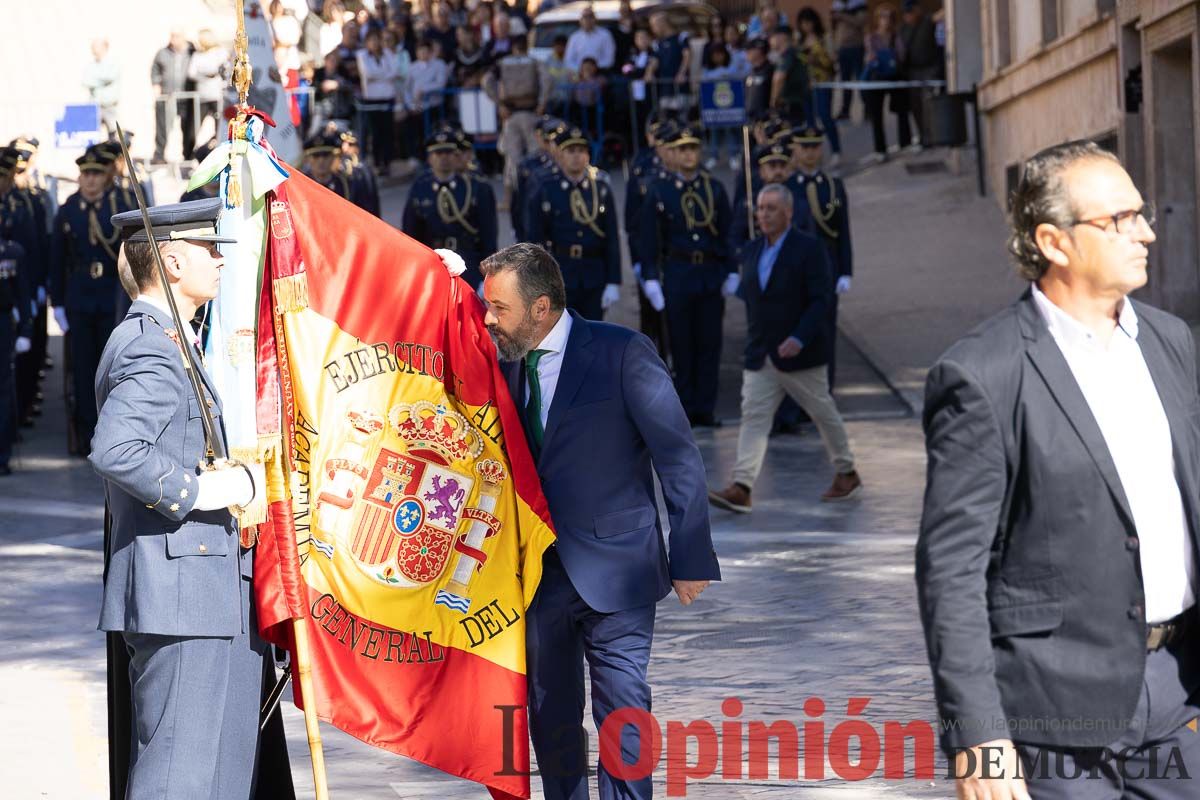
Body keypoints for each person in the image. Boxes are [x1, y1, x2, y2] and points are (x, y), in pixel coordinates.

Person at [917, 141, 1200, 799]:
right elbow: (952, 573)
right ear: (1055, 241)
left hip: (1182, 690)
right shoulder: (983, 374)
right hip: (1053, 716)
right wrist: (978, 738)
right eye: (1119, 219)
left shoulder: (1170, 341)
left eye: (1142, 213)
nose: (1147, 232)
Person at [480, 242, 720, 800]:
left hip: (619, 569)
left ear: (541, 308)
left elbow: (678, 455)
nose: (489, 319)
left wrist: (690, 555)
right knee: (551, 715)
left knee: (623, 710)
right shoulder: (503, 365)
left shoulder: (622, 353)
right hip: (536, 578)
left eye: (500, 309)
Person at [94, 197, 267, 799]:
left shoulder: (172, 338)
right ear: (170, 261)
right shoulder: (148, 345)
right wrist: (203, 489)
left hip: (208, 587)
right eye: (207, 249)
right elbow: (117, 449)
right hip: (181, 592)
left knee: (219, 776)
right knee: (179, 777)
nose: (220, 260)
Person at [708, 183, 860, 512]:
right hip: (761, 354)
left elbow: (821, 300)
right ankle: (743, 485)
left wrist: (799, 337)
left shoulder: (809, 249)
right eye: (760, 208)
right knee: (754, 417)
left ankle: (846, 472)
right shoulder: (752, 251)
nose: (763, 214)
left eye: (770, 208)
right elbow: (754, 300)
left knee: (822, 411)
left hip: (800, 354)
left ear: (788, 212)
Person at [639, 125, 733, 428]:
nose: (689, 154)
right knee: (681, 344)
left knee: (709, 343)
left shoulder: (713, 188)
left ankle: (706, 407)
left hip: (708, 272)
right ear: (674, 154)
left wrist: (731, 269)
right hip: (678, 273)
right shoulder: (660, 189)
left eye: (693, 148)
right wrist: (651, 276)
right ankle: (685, 407)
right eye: (683, 149)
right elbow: (650, 238)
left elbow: (727, 233)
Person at [48, 148, 129, 455]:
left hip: (112, 296)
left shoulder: (120, 206)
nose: (90, 180)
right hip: (79, 298)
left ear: (106, 176)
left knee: (111, 368)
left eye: (96, 174)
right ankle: (86, 433)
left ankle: (113, 433)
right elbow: (57, 259)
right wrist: (56, 302)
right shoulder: (69, 210)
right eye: (85, 174)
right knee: (82, 369)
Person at [526, 126, 619, 320]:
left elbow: (611, 237)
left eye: (581, 151)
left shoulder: (600, 189)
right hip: (561, 273)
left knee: (593, 336)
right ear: (560, 154)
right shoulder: (547, 188)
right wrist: (539, 279)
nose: (576, 156)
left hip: (594, 272)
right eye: (571, 151)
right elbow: (536, 239)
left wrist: (613, 280)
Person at [786, 126, 851, 387]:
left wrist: (846, 271)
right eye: (805, 147)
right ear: (795, 150)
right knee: (797, 334)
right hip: (794, 272)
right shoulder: (786, 188)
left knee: (824, 333)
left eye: (815, 146)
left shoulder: (833, 187)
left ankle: (825, 392)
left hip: (827, 269)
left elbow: (843, 232)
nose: (811, 152)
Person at [401, 128, 497, 289]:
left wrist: (488, 275)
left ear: (456, 156)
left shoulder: (475, 188)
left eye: (448, 153)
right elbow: (410, 232)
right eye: (438, 154)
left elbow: (488, 234)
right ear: (430, 158)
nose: (443, 158)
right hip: (432, 263)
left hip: (468, 263)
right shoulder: (420, 187)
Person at [485, 33, 548, 212]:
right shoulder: (534, 62)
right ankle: (539, 197)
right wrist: (542, 102)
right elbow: (547, 80)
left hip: (510, 113)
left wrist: (499, 103)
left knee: (512, 159)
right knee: (536, 156)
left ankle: (508, 200)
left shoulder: (502, 63)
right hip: (530, 111)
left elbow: (486, 81)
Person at [0, 155, 33, 475]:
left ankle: (2, 454)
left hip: (2, 320)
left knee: (3, 389)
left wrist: (25, 327)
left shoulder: (11, 250)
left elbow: (20, 288)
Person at [862, 3, 909, 162]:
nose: (886, 20)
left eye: (889, 17)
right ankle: (880, 149)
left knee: (902, 110)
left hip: (894, 76)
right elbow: (870, 56)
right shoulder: (871, 37)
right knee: (877, 114)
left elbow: (901, 55)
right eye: (883, 16)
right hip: (877, 77)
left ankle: (905, 142)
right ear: (877, 19)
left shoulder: (896, 36)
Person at [796, 8, 841, 165]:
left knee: (825, 115)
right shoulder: (799, 41)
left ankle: (836, 150)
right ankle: (813, 154)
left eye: (809, 23)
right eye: (803, 23)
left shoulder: (824, 38)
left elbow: (831, 61)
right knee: (809, 121)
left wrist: (817, 59)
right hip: (806, 85)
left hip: (822, 82)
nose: (806, 26)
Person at [899, 0, 942, 149]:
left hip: (929, 69)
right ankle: (923, 136)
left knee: (928, 104)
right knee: (916, 106)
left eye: (910, 12)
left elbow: (941, 15)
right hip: (913, 71)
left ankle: (932, 137)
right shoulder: (903, 29)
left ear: (917, 10)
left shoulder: (927, 21)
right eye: (906, 13)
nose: (908, 16)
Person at [356, 28, 400, 176]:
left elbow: (394, 72)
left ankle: (387, 163)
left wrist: (379, 77)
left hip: (387, 98)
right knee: (375, 133)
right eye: (372, 40)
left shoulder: (388, 54)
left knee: (387, 133)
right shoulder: (362, 55)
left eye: (377, 40)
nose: (375, 43)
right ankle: (376, 163)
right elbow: (368, 73)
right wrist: (384, 76)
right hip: (371, 100)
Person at [301, 131, 376, 212]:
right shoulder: (301, 185)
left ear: (333, 157)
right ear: (308, 159)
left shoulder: (347, 183)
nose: (321, 161)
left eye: (326, 156)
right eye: (316, 156)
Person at [151, 30, 196, 164]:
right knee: (162, 126)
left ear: (183, 37)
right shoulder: (162, 53)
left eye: (176, 36)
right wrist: (156, 84)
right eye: (171, 36)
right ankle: (159, 155)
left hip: (187, 97)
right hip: (167, 96)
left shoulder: (192, 52)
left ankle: (188, 155)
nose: (172, 39)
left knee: (188, 128)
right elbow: (155, 69)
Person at [188, 29, 230, 148]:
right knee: (194, 127)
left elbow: (221, 69)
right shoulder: (198, 55)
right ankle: (190, 153)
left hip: (217, 95)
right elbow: (191, 73)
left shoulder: (220, 52)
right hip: (203, 96)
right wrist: (207, 75)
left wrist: (208, 72)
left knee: (220, 126)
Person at [832, 0, 867, 119]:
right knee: (845, 81)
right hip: (842, 47)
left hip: (856, 46)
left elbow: (861, 22)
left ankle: (868, 109)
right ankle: (845, 110)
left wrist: (843, 16)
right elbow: (834, 28)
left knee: (861, 79)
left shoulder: (859, 4)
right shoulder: (837, 5)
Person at [769, 27, 809, 125]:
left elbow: (779, 78)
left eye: (772, 37)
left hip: (791, 103)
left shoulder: (788, 54)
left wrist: (773, 100)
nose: (770, 41)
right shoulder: (794, 52)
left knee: (789, 135)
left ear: (781, 37)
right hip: (798, 101)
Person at [83, 38, 122, 135]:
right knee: (92, 134)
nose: (93, 49)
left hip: (110, 105)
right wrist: (101, 80)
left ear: (104, 47)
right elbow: (86, 81)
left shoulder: (113, 62)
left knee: (114, 134)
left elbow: (110, 76)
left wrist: (95, 79)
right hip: (95, 106)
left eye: (96, 46)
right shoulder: (91, 65)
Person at [564, 5, 616, 73]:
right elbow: (568, 60)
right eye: (585, 17)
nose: (587, 20)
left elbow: (609, 59)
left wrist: (593, 68)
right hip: (578, 75)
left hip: (600, 73)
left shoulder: (605, 35)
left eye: (590, 16)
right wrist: (582, 69)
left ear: (595, 19)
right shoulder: (574, 37)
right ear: (580, 20)